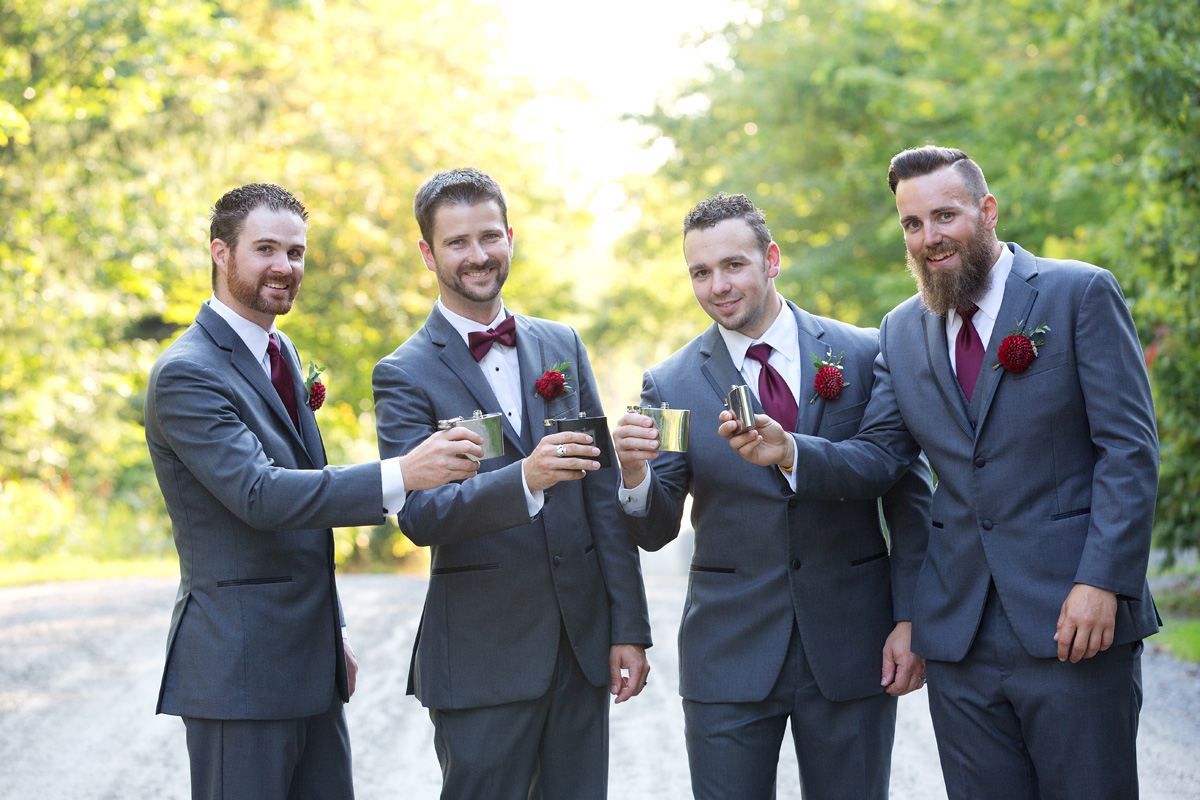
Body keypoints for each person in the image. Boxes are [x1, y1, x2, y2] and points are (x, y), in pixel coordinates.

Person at [721, 147, 1160, 800]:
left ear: (988, 211)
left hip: (1074, 619)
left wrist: (1103, 580)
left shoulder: (1078, 293)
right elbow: (881, 456)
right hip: (959, 638)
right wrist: (790, 452)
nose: (930, 237)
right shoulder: (901, 330)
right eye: (913, 224)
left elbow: (1129, 451)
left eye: (945, 215)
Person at [144, 183, 483, 800]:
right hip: (240, 672)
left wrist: (334, 633)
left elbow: (305, 505)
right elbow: (262, 496)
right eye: (266, 249)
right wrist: (403, 474)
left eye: (295, 252)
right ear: (220, 253)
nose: (285, 266)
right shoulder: (186, 372)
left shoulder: (281, 350)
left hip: (310, 664)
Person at [612, 193, 933, 800]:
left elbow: (909, 499)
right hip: (727, 653)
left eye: (733, 265)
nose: (717, 286)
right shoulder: (670, 384)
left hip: (853, 644)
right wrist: (632, 475)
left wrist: (911, 617)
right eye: (700, 272)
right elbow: (656, 528)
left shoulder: (866, 355)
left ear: (772, 259)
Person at [371, 167, 652, 800]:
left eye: (489, 236)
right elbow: (418, 516)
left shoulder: (561, 343)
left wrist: (628, 627)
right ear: (428, 254)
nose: (478, 255)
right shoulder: (403, 374)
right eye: (457, 242)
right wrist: (524, 479)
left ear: (510, 238)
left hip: (580, 649)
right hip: (482, 658)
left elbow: (602, 495)